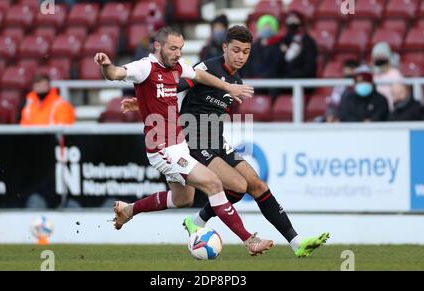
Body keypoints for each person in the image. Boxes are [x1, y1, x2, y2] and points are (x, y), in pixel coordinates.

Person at [122, 26, 329, 257]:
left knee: (257, 185)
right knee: (238, 186)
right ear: (224, 47)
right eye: (236, 50)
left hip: (217, 140)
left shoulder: (235, 80)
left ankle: (297, 243)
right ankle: (204, 224)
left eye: (246, 51)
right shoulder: (207, 68)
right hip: (194, 139)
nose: (240, 56)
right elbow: (170, 88)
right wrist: (141, 103)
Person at [95, 26, 273, 256]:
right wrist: (106, 65)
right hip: (162, 147)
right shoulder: (144, 67)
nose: (178, 53)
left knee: (183, 199)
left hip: (178, 145)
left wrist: (227, 86)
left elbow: (199, 75)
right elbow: (116, 74)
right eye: (173, 48)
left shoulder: (177, 67)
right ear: (158, 47)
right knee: (214, 184)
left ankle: (128, 210)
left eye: (180, 48)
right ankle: (250, 240)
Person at [239, 14, 283, 79]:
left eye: (269, 26)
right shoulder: (253, 47)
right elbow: (247, 65)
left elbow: (277, 66)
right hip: (254, 82)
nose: (266, 28)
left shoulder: (279, 46)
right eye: (264, 26)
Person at [371, 42, 404, 112]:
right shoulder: (375, 74)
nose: (378, 59)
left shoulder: (395, 73)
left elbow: (399, 94)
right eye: (376, 57)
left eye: (381, 57)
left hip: (392, 110)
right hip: (378, 110)